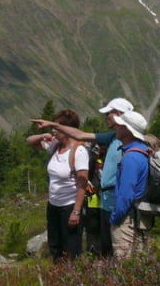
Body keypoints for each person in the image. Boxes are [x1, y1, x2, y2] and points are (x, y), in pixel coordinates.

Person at [32, 97, 134, 259]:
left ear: (120, 114)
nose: (105, 117)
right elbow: (80, 134)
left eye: (108, 113)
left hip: (119, 199)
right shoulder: (112, 136)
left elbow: (82, 180)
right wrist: (54, 126)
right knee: (107, 248)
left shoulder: (131, 140)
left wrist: (77, 211)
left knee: (121, 249)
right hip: (106, 199)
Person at [26, 109, 89, 262]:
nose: (54, 131)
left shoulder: (78, 151)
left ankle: (72, 281)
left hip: (69, 206)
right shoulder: (55, 146)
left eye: (57, 128)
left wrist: (76, 212)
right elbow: (29, 141)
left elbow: (82, 184)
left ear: (67, 130)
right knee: (55, 246)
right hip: (53, 205)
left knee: (71, 248)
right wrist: (43, 135)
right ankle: (59, 279)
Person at [109, 110, 150, 260]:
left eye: (120, 125)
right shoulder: (143, 151)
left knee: (125, 267)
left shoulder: (130, 157)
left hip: (127, 221)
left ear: (127, 130)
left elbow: (126, 195)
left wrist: (114, 219)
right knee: (138, 266)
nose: (116, 127)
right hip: (140, 217)